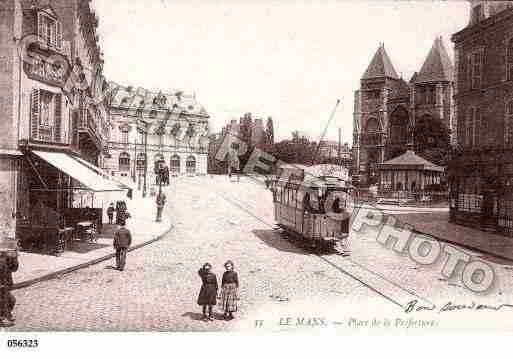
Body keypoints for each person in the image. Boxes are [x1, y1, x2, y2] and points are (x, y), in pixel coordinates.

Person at [0, 250, 19, 327]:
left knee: (11, 301)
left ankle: (6, 314)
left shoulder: (6, 255)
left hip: (5, 283)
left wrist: (14, 258)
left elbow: (14, 268)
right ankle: (1, 318)